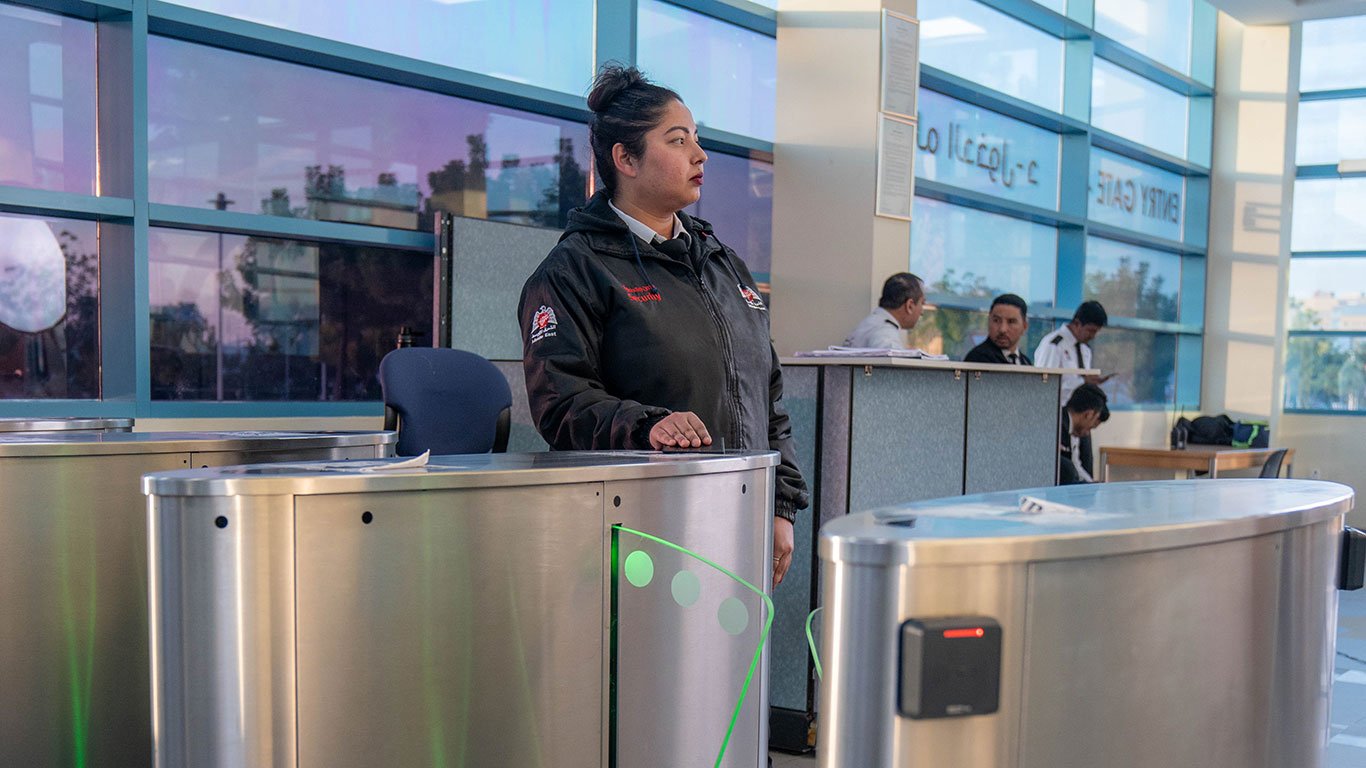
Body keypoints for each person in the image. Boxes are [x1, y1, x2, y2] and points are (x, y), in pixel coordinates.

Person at [518, 64, 810, 587]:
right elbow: (560, 404)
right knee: (656, 666)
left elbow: (769, 400)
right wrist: (646, 423)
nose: (699, 155)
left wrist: (782, 504)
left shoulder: (723, 264)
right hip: (643, 537)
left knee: (737, 667)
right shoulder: (575, 271)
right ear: (625, 159)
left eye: (697, 139)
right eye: (678, 141)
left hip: (742, 521)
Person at [1033, 300, 1112, 404]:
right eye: (1090, 330)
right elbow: (1044, 385)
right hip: (1057, 410)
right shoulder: (1054, 345)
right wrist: (1082, 382)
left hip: (1080, 412)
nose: (1092, 336)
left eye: (1096, 332)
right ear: (1077, 323)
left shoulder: (1085, 349)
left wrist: (1091, 382)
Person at [843, 272, 925, 348]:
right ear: (909, 306)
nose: (922, 312)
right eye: (922, 303)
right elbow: (890, 361)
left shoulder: (869, 325)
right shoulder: (885, 334)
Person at [1059, 383, 1109, 485]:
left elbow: (1077, 467)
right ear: (1089, 414)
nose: (1088, 433)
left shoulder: (1069, 428)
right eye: (1092, 426)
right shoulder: (1058, 427)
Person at [963, 294, 1032, 365]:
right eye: (996, 320)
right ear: (989, 321)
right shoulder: (977, 359)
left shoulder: (1026, 362)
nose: (1002, 329)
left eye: (1011, 322)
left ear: (1024, 326)